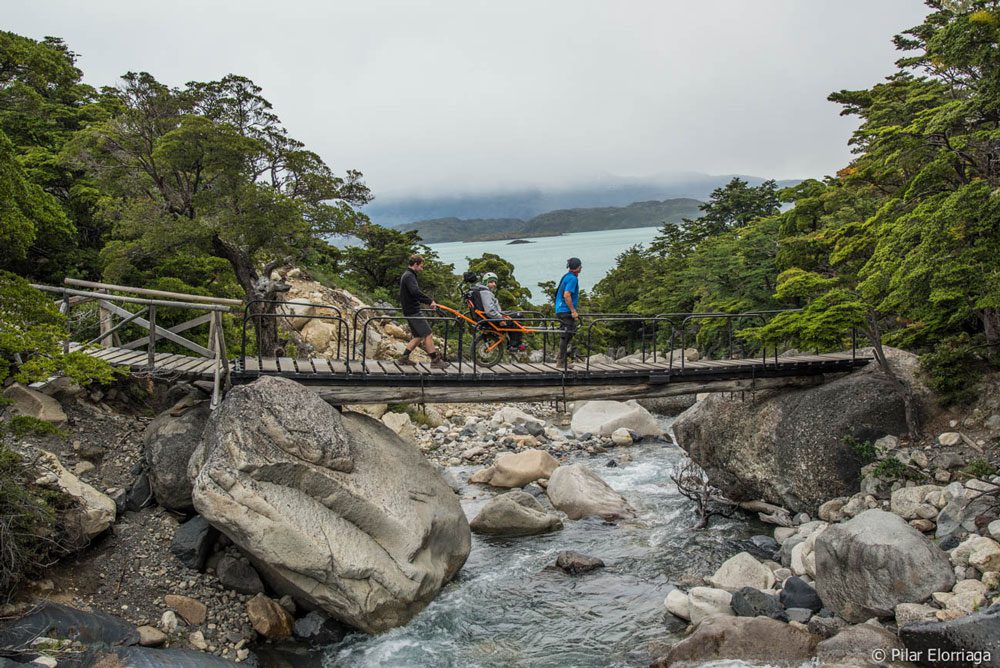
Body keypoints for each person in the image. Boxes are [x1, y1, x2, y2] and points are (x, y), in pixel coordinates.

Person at [398, 254, 448, 369]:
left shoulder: (408, 275)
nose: (422, 268)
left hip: (409, 310)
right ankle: (435, 360)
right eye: (421, 266)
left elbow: (414, 293)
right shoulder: (409, 276)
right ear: (415, 264)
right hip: (413, 311)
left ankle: (403, 358)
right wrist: (430, 301)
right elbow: (415, 292)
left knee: (418, 336)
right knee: (428, 334)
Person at [476, 272, 525, 351]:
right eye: (491, 282)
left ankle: (512, 342)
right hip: (494, 319)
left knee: (514, 314)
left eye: (495, 282)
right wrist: (500, 319)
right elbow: (490, 311)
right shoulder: (486, 293)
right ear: (485, 282)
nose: (494, 284)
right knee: (518, 315)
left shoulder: (482, 291)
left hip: (492, 317)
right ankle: (514, 345)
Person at [554, 257, 581, 367]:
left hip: (560, 308)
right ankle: (561, 362)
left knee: (570, 332)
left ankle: (561, 359)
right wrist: (573, 310)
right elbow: (567, 295)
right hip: (565, 310)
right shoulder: (572, 279)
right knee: (566, 334)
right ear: (578, 268)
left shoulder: (566, 276)